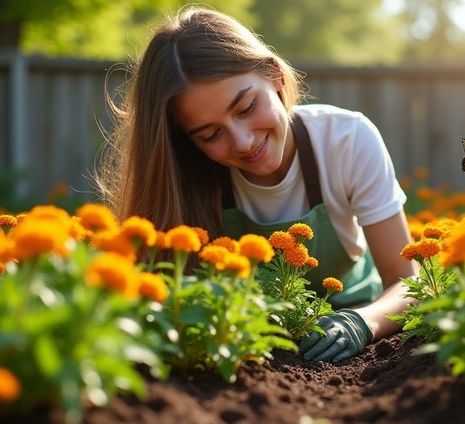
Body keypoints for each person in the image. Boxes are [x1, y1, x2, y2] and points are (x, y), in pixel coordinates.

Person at [96, 7, 418, 363]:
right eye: (211, 134)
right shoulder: (184, 174)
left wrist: (362, 322)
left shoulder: (347, 139)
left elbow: (408, 283)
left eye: (247, 107)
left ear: (275, 75)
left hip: (360, 335)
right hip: (246, 344)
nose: (243, 142)